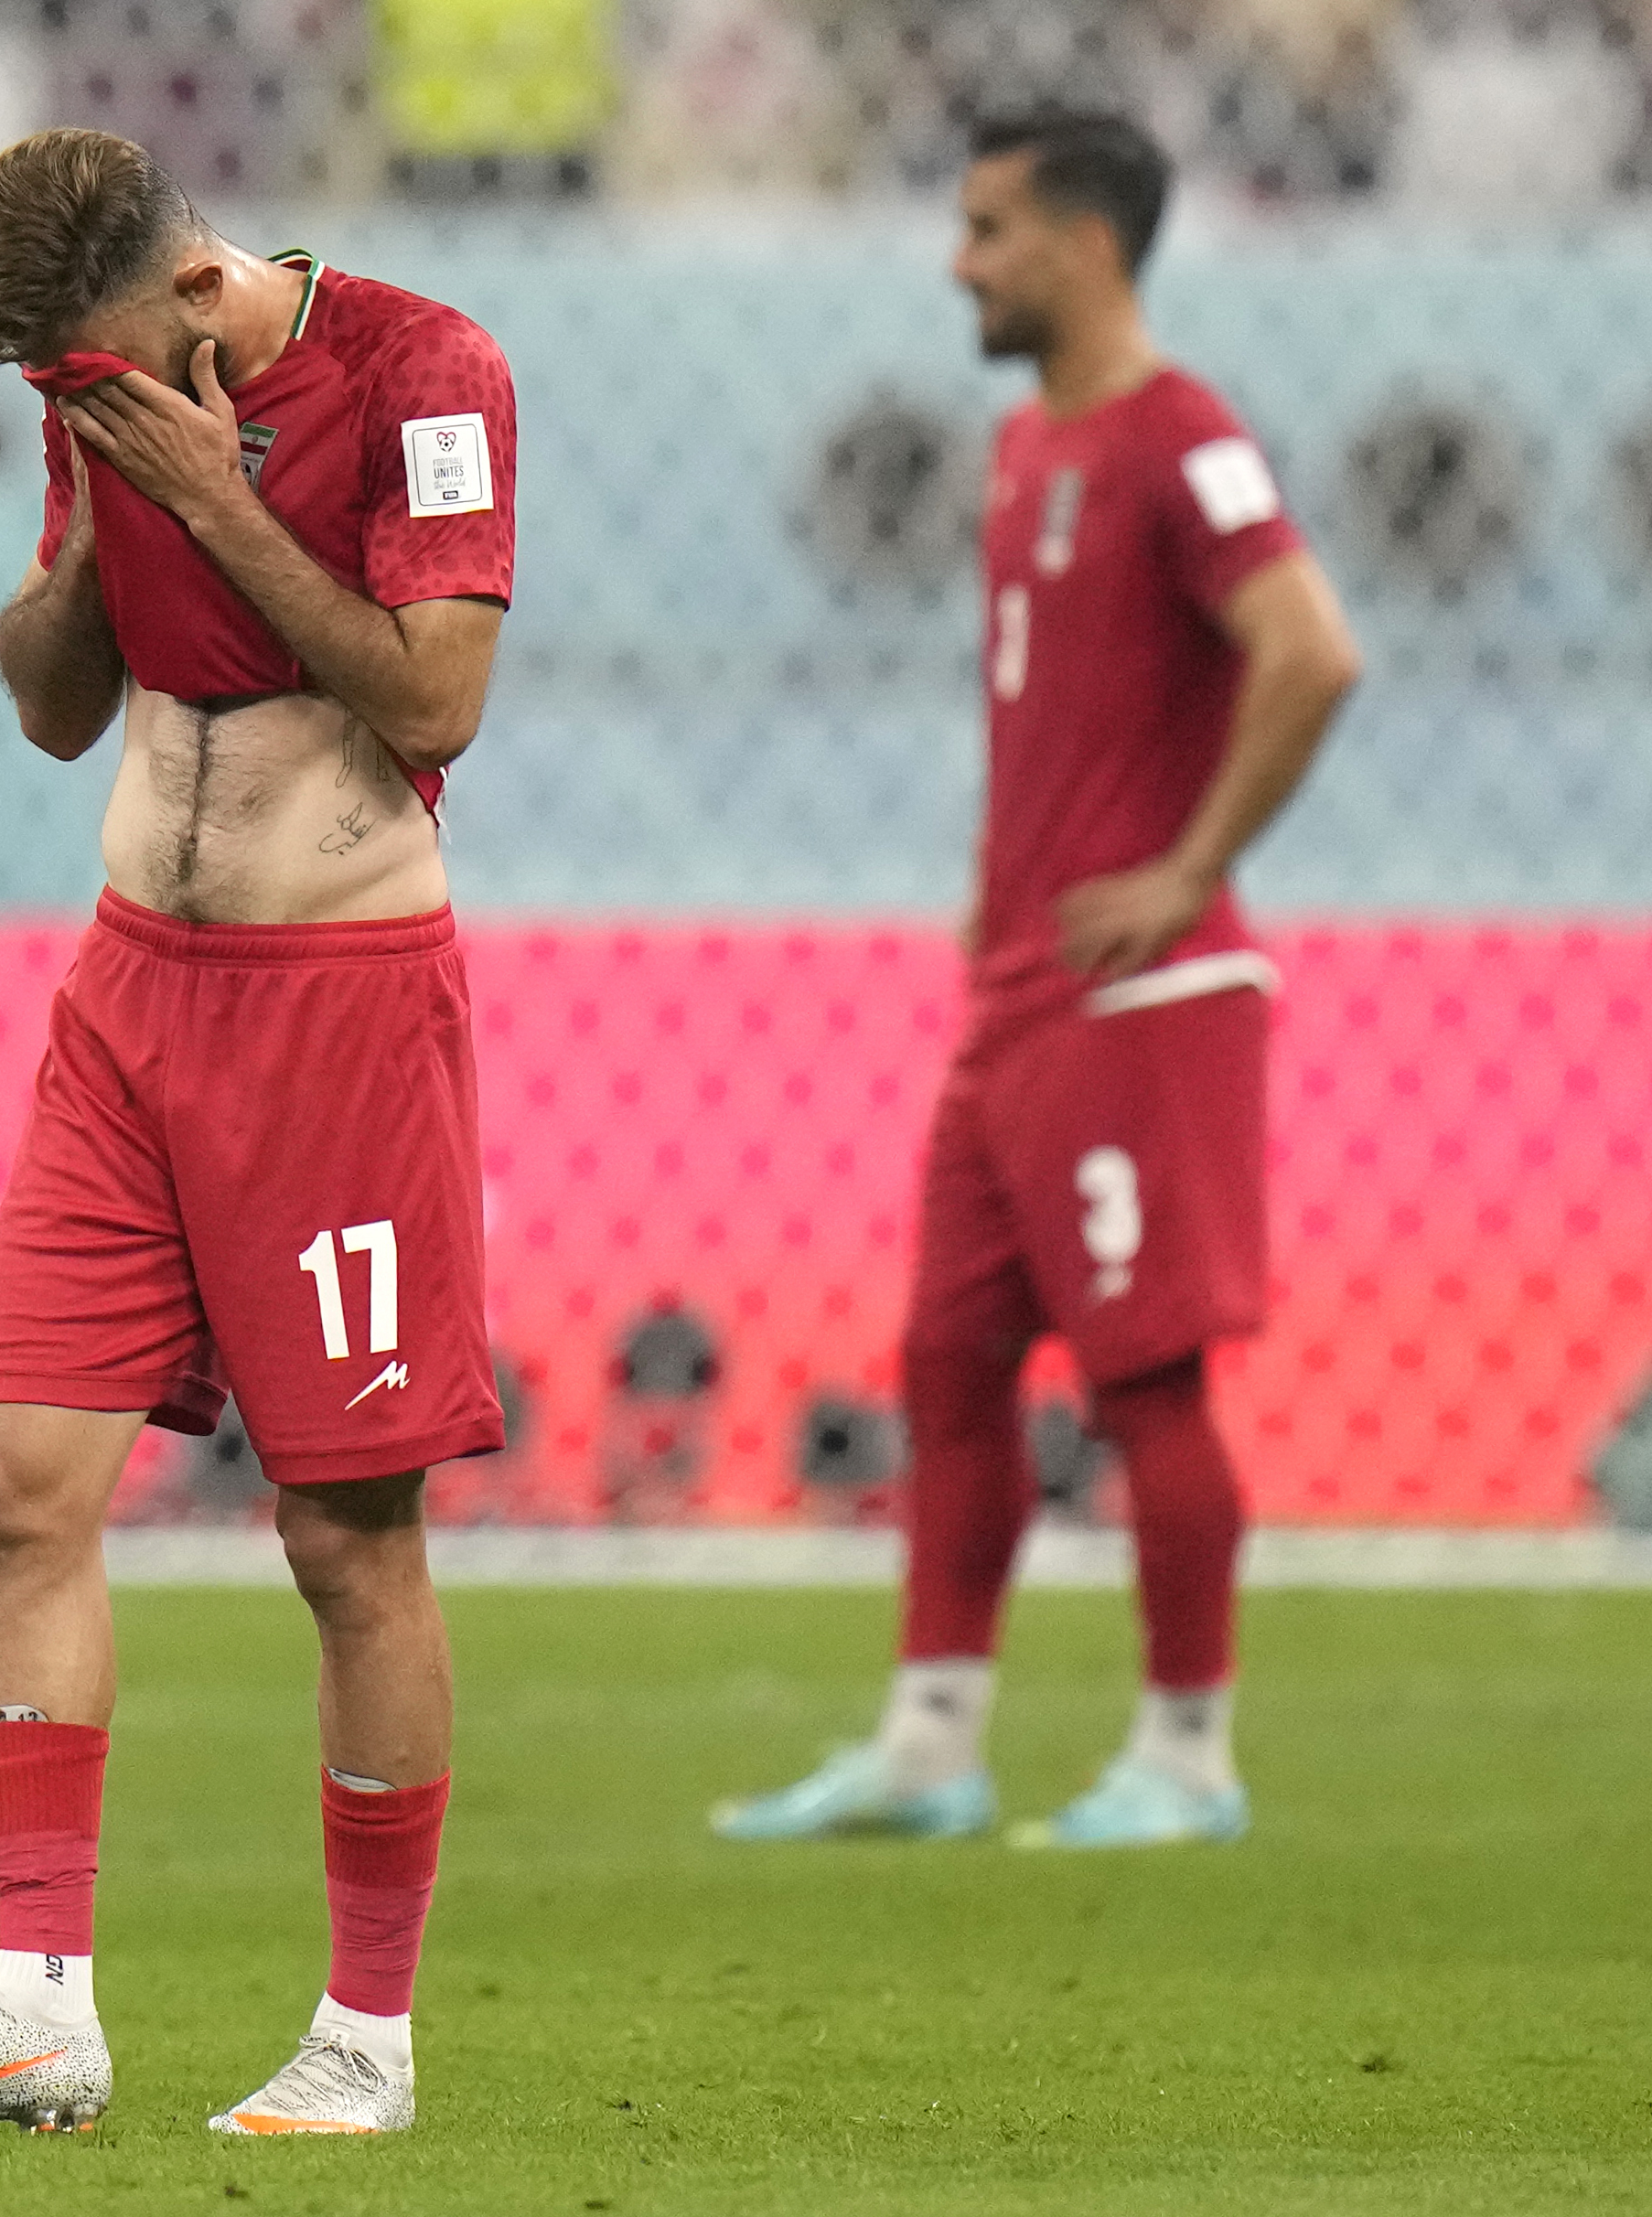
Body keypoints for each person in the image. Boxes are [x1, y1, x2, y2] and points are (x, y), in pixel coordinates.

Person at [0, 127, 517, 2137]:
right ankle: (37, 2006)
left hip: (337, 1013)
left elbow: (432, 701)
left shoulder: (424, 375)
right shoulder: (94, 403)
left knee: (342, 1536)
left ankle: (361, 2040)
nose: (76, 402)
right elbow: (45, 704)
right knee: (16, 1479)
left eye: (90, 368)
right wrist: (94, 527)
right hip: (127, 1000)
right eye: (47, 386)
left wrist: (219, 499)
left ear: (196, 290)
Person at [714, 106, 1360, 1852]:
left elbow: (1310, 648)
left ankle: (1190, 1752)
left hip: (1139, 993)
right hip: (1018, 993)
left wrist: (1188, 868)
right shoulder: (1023, 446)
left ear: (1084, 244)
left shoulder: (1183, 436)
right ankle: (934, 1740)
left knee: (1145, 1380)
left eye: (989, 227)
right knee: (947, 1354)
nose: (960, 261)